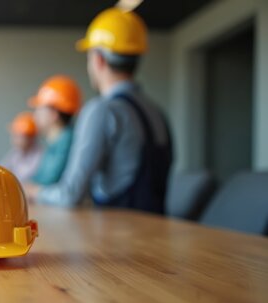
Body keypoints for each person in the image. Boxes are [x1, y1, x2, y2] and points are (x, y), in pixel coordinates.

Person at [25, 8, 172, 214]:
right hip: (156, 234)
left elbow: (70, 195)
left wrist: (32, 191)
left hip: (117, 236)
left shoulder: (100, 111)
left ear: (98, 59)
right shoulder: (158, 113)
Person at [27, 75, 81, 185]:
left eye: (39, 109)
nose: (35, 115)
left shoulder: (66, 142)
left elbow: (48, 182)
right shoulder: (55, 142)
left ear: (53, 114)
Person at [0, 112, 43, 182]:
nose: (13, 139)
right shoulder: (16, 152)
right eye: (14, 135)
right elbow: (1, 168)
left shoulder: (40, 156)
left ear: (30, 138)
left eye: (17, 136)